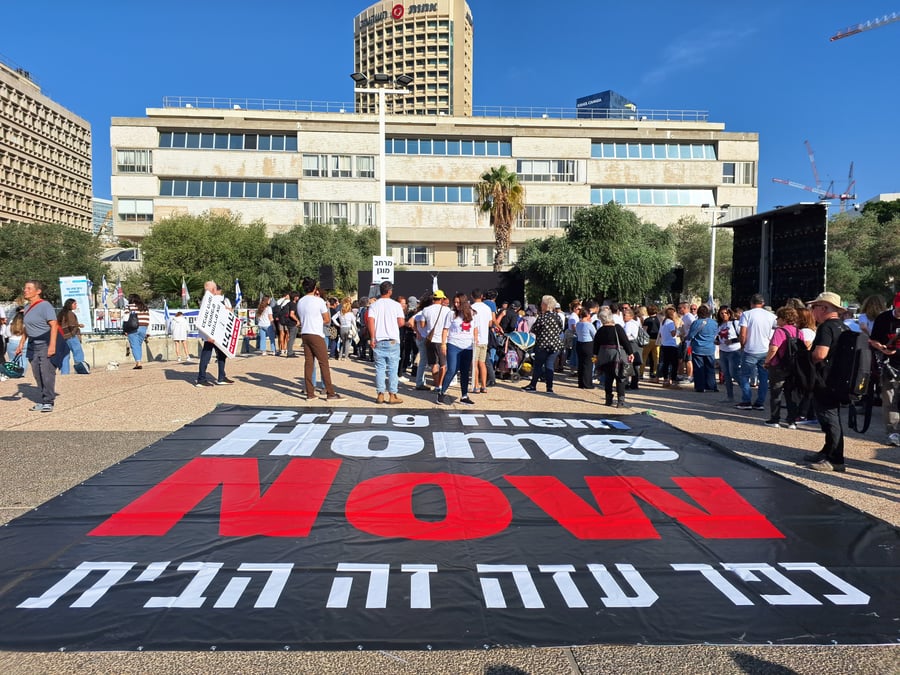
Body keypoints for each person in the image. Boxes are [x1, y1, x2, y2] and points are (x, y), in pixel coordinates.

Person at [804, 292, 847, 472]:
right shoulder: (843, 327)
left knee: (830, 419)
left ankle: (836, 459)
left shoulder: (827, 328)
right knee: (830, 417)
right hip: (838, 379)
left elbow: (820, 354)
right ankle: (827, 450)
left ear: (824, 308)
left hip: (825, 380)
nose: (812, 311)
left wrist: (809, 359)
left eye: (814, 307)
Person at [297, 276, 342, 401]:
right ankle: (330, 393)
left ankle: (310, 393)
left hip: (305, 333)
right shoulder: (319, 301)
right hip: (316, 333)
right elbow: (327, 319)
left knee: (309, 363)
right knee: (324, 363)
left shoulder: (301, 301)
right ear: (315, 288)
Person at [16, 280, 58, 412]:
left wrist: (52, 345)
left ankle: (48, 401)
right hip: (33, 344)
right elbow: (27, 328)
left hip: (45, 342)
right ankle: (43, 399)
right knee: (37, 373)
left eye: (29, 288)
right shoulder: (27, 307)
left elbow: (54, 325)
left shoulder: (45, 306)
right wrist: (21, 344)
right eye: (25, 288)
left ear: (38, 291)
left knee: (46, 373)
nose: (25, 290)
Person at [868, 292, 900, 447]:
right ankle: (892, 432)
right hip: (889, 364)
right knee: (889, 399)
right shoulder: (883, 318)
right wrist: (878, 346)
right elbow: (873, 339)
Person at [366, 280, 405, 404]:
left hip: (379, 340)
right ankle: (392, 394)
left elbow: (370, 321)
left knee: (380, 368)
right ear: (390, 291)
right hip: (393, 340)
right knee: (393, 369)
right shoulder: (396, 305)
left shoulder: (374, 305)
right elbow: (401, 323)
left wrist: (372, 338)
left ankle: (380, 394)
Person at [736, 293, 776, 411]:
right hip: (765, 349)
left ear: (751, 303)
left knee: (744, 375)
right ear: (763, 303)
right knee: (763, 377)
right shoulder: (771, 316)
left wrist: (742, 345)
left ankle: (746, 400)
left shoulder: (746, 314)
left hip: (750, 349)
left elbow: (743, 333)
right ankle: (760, 402)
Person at [437, 292, 477, 405]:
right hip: (453, 344)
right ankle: (442, 392)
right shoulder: (451, 314)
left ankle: (464, 396)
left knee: (465, 371)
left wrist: (476, 340)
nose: (456, 304)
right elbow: (445, 329)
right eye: (455, 302)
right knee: (452, 369)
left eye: (458, 302)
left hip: (468, 346)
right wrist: (443, 344)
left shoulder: (472, 314)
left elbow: (475, 329)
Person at [763, 306, 801, 428]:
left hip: (778, 366)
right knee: (791, 394)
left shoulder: (780, 331)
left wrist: (767, 361)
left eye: (778, 318)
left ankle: (775, 419)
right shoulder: (797, 331)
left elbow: (774, 348)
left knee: (776, 393)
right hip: (793, 367)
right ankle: (792, 421)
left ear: (784, 319)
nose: (777, 320)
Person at [522, 295, 564, 394]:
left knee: (538, 365)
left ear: (545, 305)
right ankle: (549, 387)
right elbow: (560, 329)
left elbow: (534, 329)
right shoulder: (557, 316)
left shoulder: (542, 317)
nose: (540, 305)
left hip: (543, 345)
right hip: (555, 345)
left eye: (542, 303)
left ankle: (533, 385)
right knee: (550, 365)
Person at [593, 307, 634, 408]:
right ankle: (621, 401)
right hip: (617, 354)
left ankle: (608, 399)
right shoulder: (617, 328)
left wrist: (594, 358)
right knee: (620, 377)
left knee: (608, 377)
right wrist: (630, 353)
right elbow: (625, 341)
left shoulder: (600, 330)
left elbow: (595, 345)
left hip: (604, 355)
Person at [196, 281, 234, 387]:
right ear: (213, 289)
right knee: (206, 356)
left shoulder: (208, 300)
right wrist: (208, 335)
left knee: (221, 355)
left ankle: (221, 377)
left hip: (215, 334)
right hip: (211, 335)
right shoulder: (210, 300)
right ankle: (201, 379)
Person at [422, 289, 450, 390]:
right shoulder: (447, 310)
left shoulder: (426, 310)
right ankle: (441, 384)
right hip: (442, 340)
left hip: (430, 339)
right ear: (442, 299)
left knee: (433, 363)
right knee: (443, 364)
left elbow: (422, 324)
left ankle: (437, 384)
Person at [687, 305, 719, 393]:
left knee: (698, 369)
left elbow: (690, 335)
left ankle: (700, 386)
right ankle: (711, 386)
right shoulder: (714, 323)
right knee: (710, 368)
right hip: (710, 348)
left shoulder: (696, 323)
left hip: (698, 348)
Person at [715, 306, 742, 403]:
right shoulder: (720, 325)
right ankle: (729, 396)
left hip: (734, 351)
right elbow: (719, 336)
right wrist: (717, 341)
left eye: (725, 313)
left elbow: (742, 336)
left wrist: (732, 340)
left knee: (734, 373)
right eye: (721, 313)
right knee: (726, 374)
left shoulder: (735, 323)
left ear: (729, 313)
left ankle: (746, 392)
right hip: (723, 351)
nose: (723, 315)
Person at [470, 288, 492, 395]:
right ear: (482, 296)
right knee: (482, 363)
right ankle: (484, 386)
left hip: (474, 339)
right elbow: (490, 323)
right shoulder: (487, 308)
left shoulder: (472, 308)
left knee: (474, 363)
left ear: (472, 296)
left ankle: (476, 386)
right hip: (484, 338)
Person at [57, 298, 87, 374]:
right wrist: (79, 325)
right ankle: (80, 370)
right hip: (71, 336)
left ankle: (65, 372)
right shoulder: (70, 314)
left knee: (65, 355)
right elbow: (71, 325)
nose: (76, 305)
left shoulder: (61, 313)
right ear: (70, 305)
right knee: (78, 353)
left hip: (63, 337)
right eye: (74, 304)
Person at [657, 306, 681, 387]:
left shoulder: (662, 322)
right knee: (674, 364)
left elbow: (660, 334)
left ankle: (665, 379)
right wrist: (678, 331)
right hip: (671, 345)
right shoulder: (671, 322)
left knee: (665, 363)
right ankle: (673, 380)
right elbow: (673, 333)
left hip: (664, 344)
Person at [125, 294, 150, 370]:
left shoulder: (129, 306)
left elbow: (126, 317)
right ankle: (138, 361)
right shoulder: (145, 307)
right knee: (138, 345)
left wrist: (125, 329)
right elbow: (148, 318)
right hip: (144, 328)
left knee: (134, 346)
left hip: (133, 328)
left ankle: (138, 363)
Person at [575, 307, 597, 389]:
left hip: (579, 343)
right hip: (588, 344)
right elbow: (595, 335)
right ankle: (588, 383)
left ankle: (581, 382)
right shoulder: (589, 324)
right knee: (588, 364)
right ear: (587, 315)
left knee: (581, 364)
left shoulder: (578, 324)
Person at [622, 306, 643, 390]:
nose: (623, 317)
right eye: (623, 315)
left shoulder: (628, 324)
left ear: (630, 316)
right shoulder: (635, 322)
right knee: (635, 365)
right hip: (636, 344)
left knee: (628, 363)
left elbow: (626, 336)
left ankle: (626, 383)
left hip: (630, 344)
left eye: (625, 315)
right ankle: (634, 383)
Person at [641, 304, 661, 382]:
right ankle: (654, 372)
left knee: (644, 357)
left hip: (648, 340)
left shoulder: (647, 320)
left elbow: (644, 331)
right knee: (656, 357)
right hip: (657, 340)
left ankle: (641, 373)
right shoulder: (659, 320)